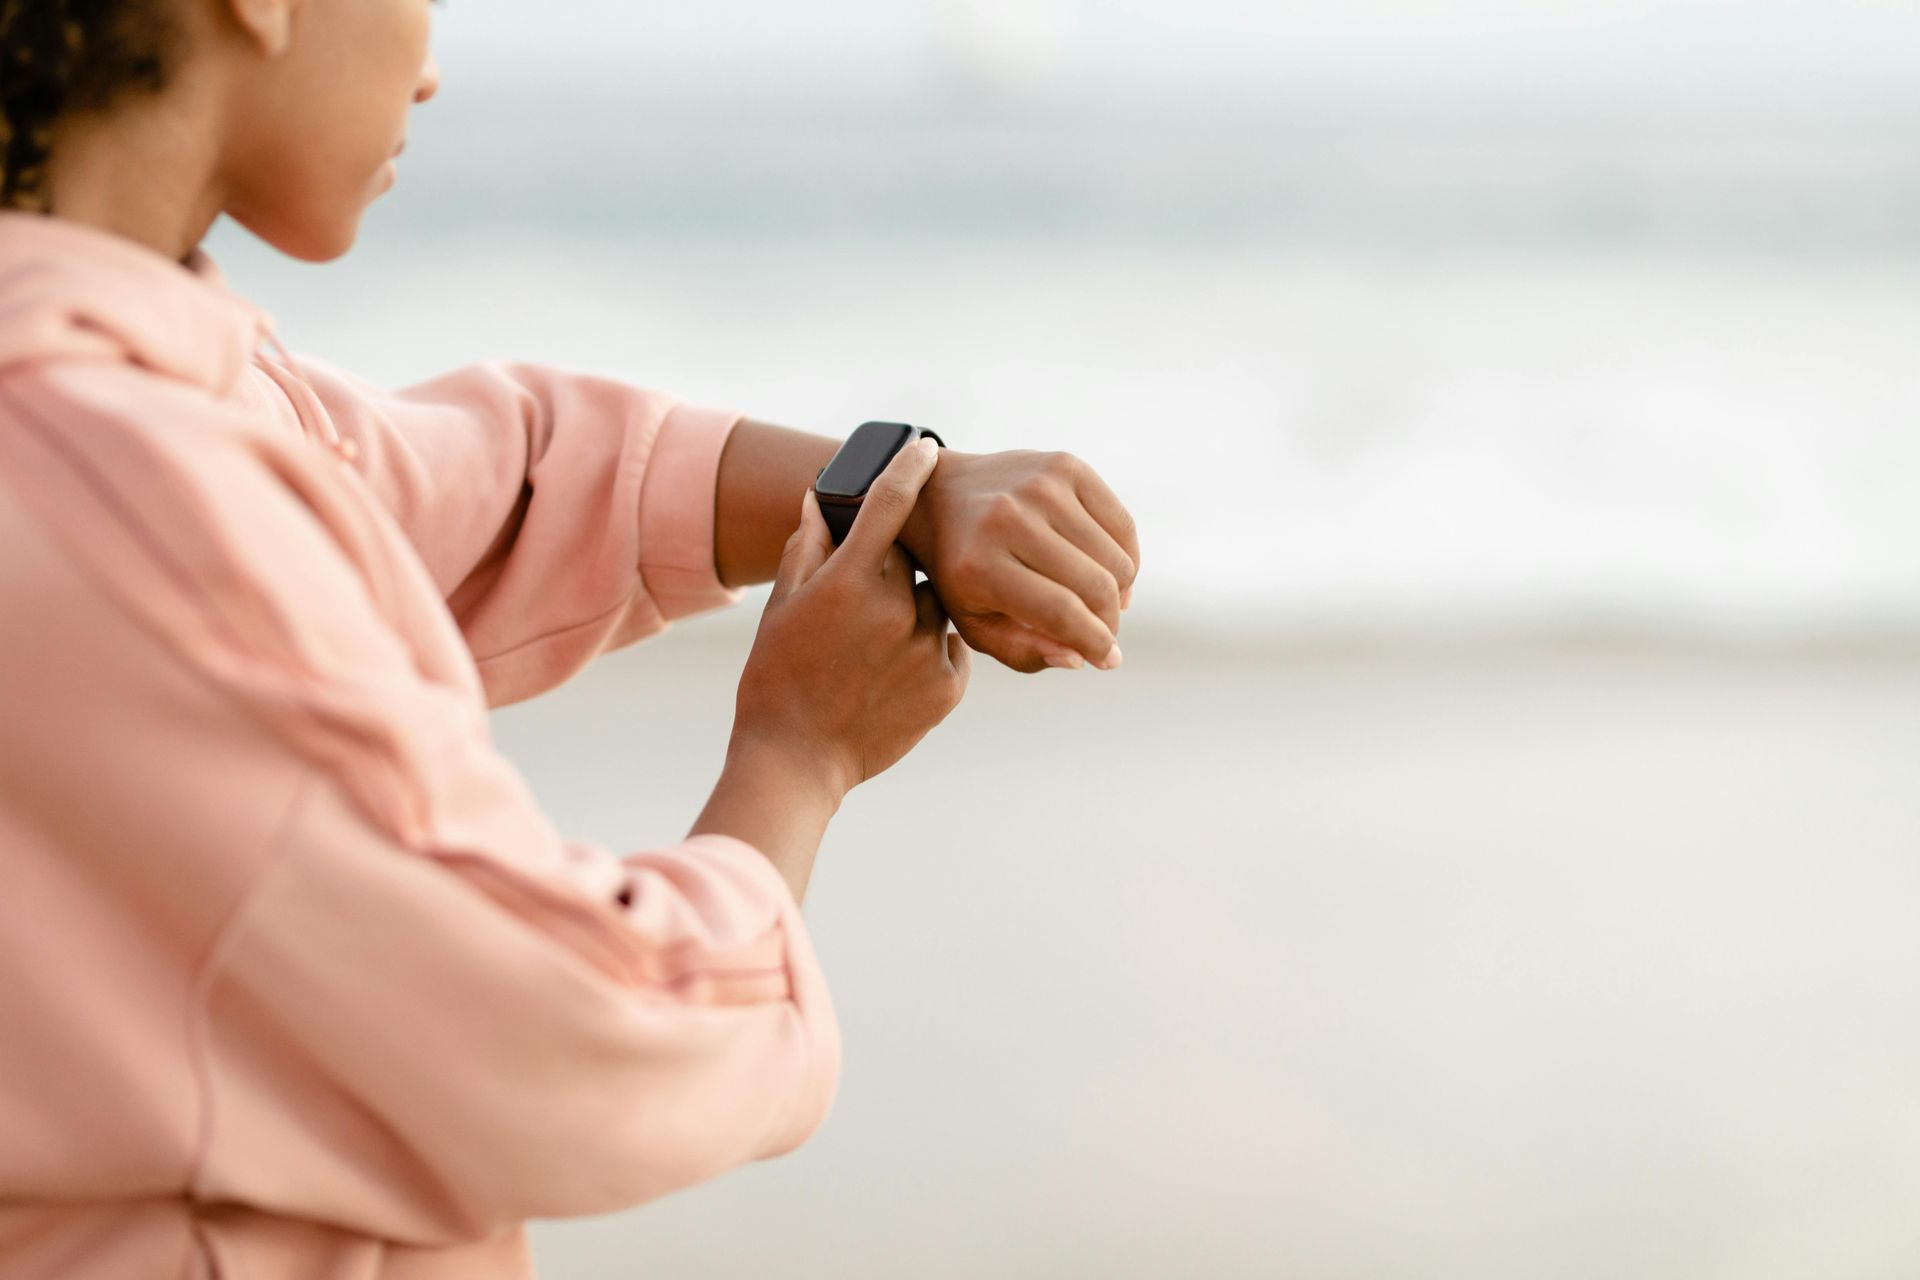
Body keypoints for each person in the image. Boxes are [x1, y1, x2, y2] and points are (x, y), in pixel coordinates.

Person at [0, 1, 1141, 1276]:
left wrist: (906, 485)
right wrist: (797, 753)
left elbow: (495, 476)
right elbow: (576, 1033)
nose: (430, 69)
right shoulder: (130, 501)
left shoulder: (120, 403)